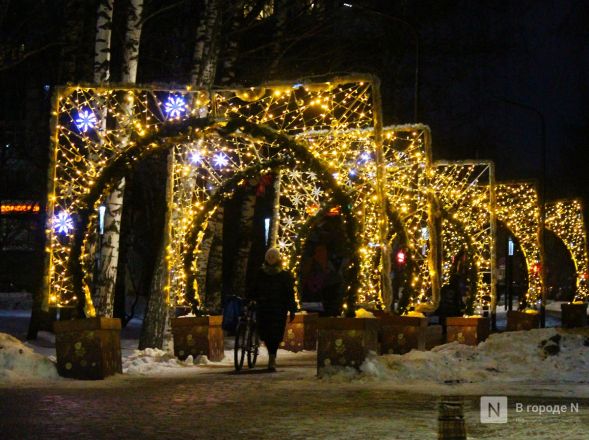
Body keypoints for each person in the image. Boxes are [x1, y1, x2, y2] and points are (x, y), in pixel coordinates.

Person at [249, 247, 296, 371]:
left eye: (273, 257)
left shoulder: (284, 275)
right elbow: (253, 288)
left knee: (275, 334)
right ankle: (271, 355)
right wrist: (251, 299)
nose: (271, 259)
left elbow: (289, 293)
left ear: (278, 258)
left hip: (278, 309)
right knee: (265, 333)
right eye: (269, 257)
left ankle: (272, 357)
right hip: (264, 308)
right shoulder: (260, 273)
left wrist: (292, 309)